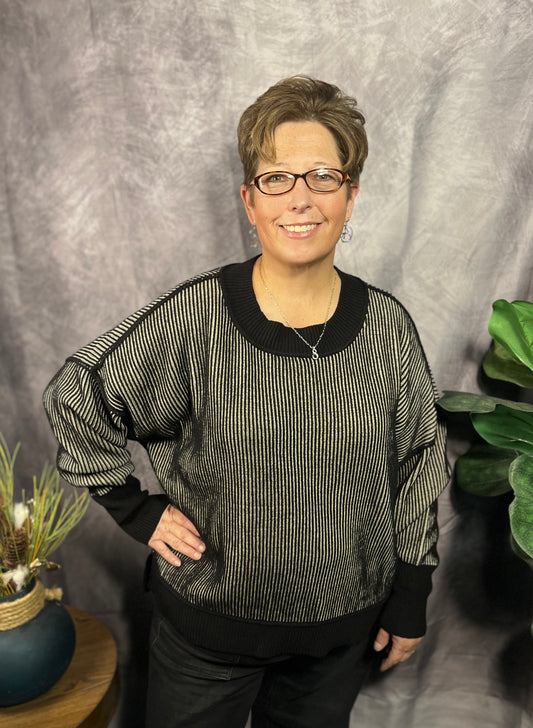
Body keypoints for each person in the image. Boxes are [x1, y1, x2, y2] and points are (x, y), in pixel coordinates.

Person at [43, 76, 449, 728]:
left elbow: (419, 464)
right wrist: (136, 509)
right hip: (206, 639)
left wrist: (410, 595)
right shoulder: (194, 317)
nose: (300, 198)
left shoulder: (387, 328)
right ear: (249, 201)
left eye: (323, 176)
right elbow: (78, 395)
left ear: (350, 196)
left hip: (339, 641)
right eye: (276, 179)